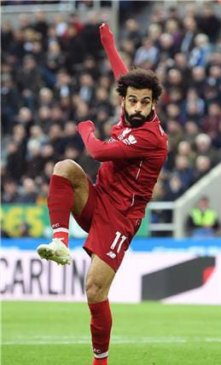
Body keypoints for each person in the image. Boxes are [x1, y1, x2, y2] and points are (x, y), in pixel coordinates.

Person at [35, 24, 168, 365]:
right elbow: (122, 73)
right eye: (133, 101)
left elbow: (96, 152)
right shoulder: (130, 106)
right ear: (123, 99)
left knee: (94, 289)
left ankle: (100, 362)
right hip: (98, 198)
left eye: (145, 103)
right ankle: (60, 243)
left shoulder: (151, 138)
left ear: (154, 106)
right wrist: (108, 41)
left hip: (122, 218)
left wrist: (86, 129)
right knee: (64, 168)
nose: (138, 108)